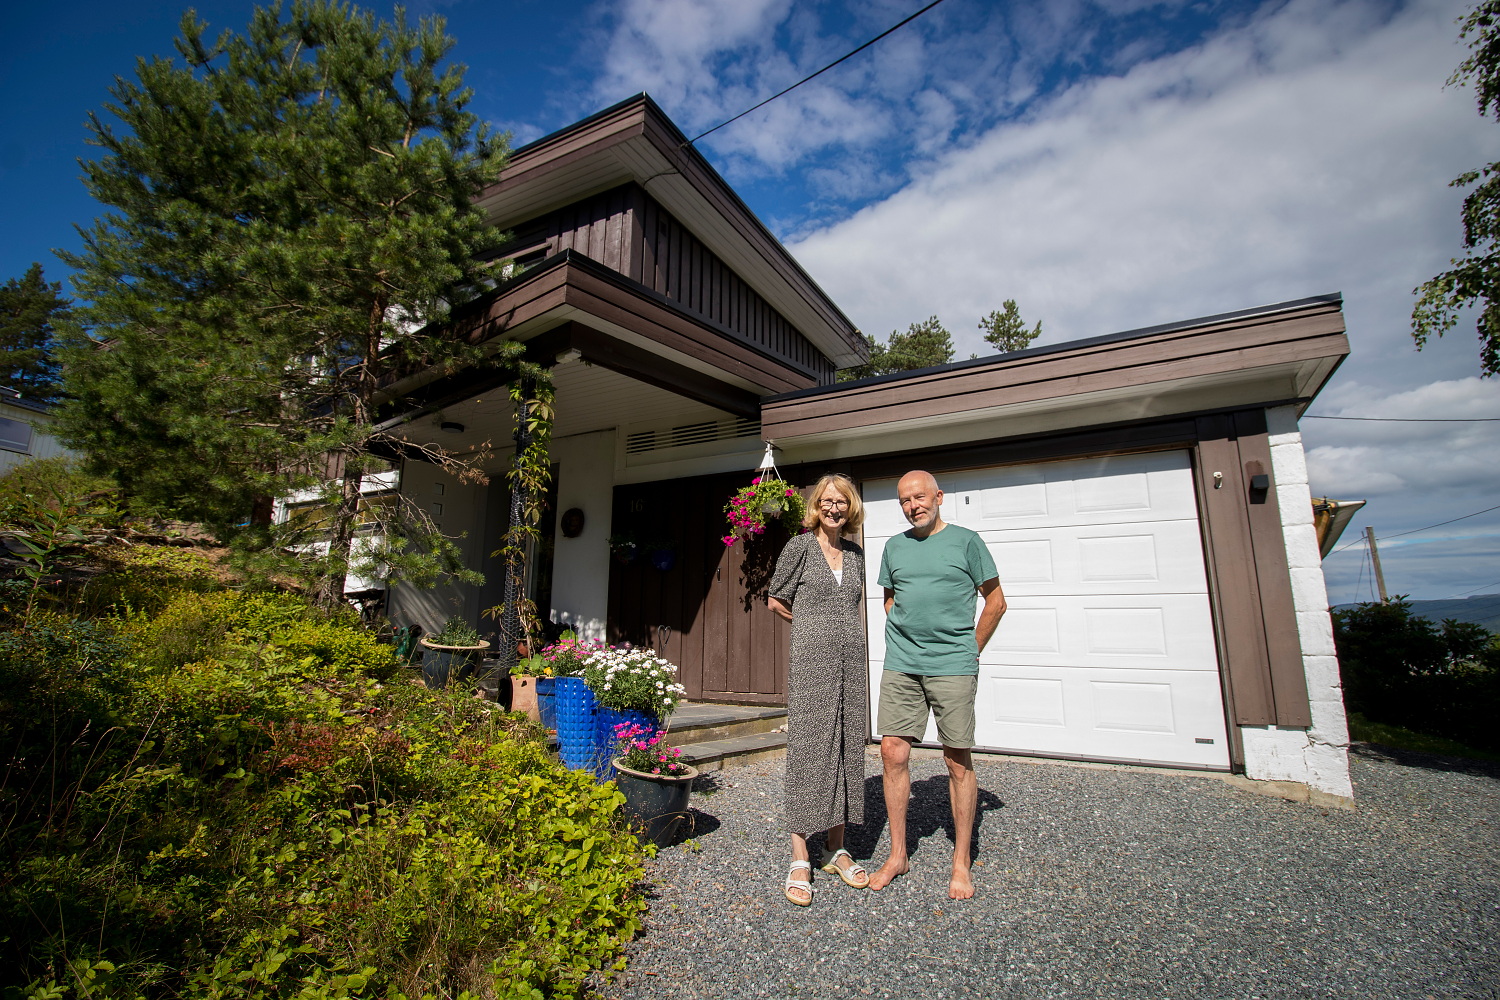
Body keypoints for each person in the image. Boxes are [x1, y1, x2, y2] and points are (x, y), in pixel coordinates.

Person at [869, 470, 1006, 900]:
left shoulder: (967, 542)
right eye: (905, 500)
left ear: (939, 497)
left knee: (956, 758)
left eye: (920, 497)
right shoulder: (894, 546)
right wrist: (909, 634)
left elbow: (996, 602)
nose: (913, 505)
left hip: (953, 665)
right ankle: (897, 854)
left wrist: (970, 651)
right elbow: (891, 599)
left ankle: (961, 862)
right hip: (903, 663)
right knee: (892, 750)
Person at [767, 472, 871, 905]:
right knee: (810, 749)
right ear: (817, 505)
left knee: (848, 747)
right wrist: (809, 627)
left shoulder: (856, 554)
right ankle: (799, 854)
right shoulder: (799, 547)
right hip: (812, 665)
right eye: (827, 501)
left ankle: (835, 848)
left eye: (842, 502)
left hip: (852, 664)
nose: (834, 508)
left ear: (851, 508)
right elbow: (776, 599)